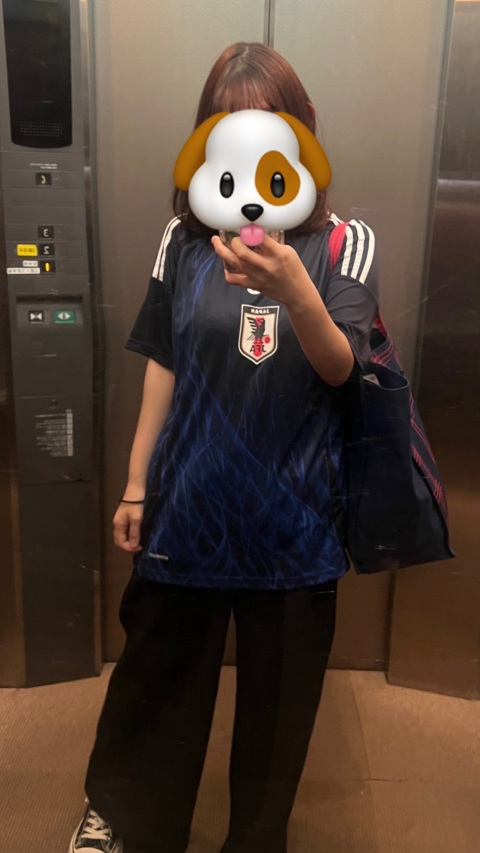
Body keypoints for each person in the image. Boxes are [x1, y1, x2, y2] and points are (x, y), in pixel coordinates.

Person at [69, 42, 379, 853]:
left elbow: (344, 369)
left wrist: (296, 290)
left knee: (278, 710)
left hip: (296, 518)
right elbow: (162, 362)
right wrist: (136, 483)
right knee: (156, 678)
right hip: (190, 505)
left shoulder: (344, 243)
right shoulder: (183, 240)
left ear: (303, 132)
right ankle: (127, 820)